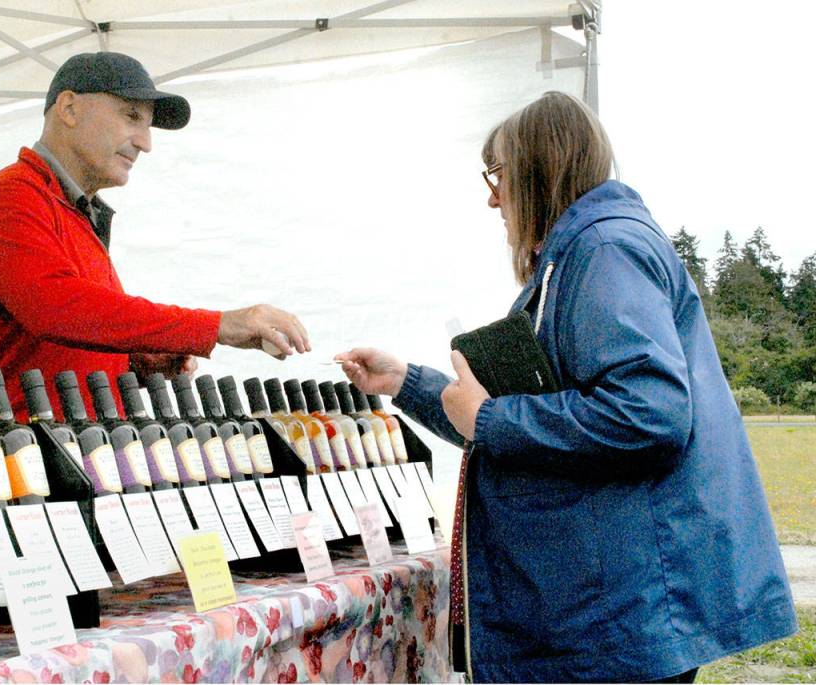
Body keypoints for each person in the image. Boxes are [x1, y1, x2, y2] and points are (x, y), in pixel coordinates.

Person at [336, 91, 796, 683]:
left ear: (538, 168)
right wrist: (406, 382)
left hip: (622, 611)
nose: (492, 197)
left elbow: (647, 413)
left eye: (497, 174)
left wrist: (495, 420)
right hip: (611, 605)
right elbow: (519, 414)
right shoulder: (582, 253)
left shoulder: (604, 250)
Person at [0, 52, 309, 419]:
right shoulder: (11, 195)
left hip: (73, 449)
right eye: (131, 116)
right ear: (68, 108)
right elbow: (57, 309)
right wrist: (217, 325)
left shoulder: (74, 209)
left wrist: (134, 360)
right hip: (8, 458)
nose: (145, 143)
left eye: (147, 125)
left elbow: (75, 331)